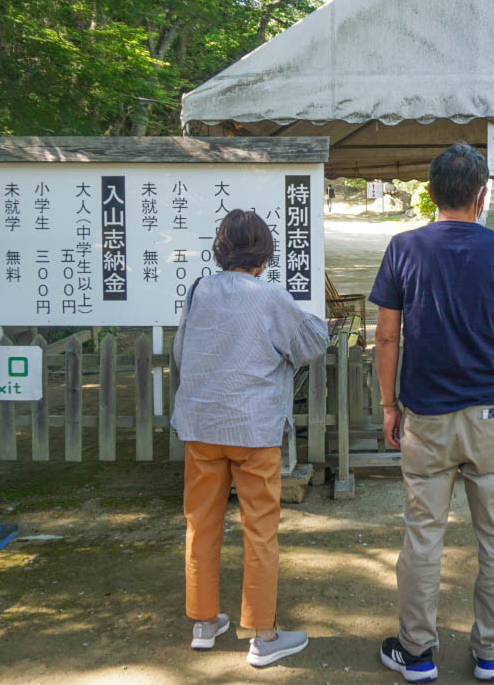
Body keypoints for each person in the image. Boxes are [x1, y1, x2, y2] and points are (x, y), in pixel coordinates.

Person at [369, 144, 494, 684]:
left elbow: (387, 335)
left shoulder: (404, 248)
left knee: (423, 534)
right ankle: (491, 654)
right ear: (482, 195)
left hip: (427, 416)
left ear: (430, 191)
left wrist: (389, 404)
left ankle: (417, 652)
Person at [171, 209, 329, 668]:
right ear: (263, 254)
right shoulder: (270, 296)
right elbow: (310, 343)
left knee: (201, 524)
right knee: (259, 530)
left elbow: (180, 351)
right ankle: (263, 635)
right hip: (254, 430)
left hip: (202, 425)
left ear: (221, 249)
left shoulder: (199, 290)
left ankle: (204, 623)